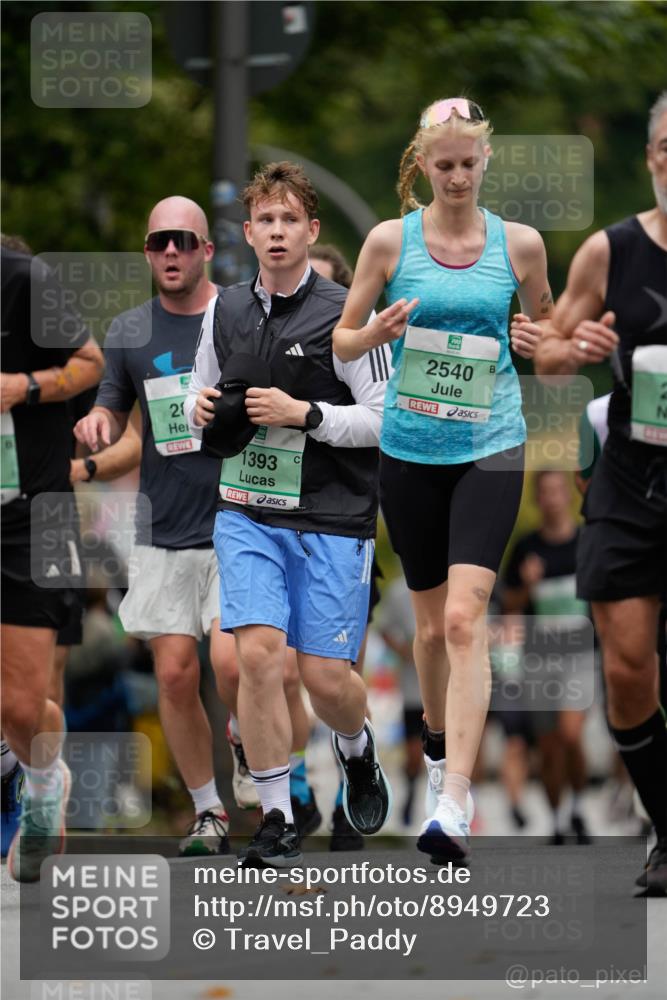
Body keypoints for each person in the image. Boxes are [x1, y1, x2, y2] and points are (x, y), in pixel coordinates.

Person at [333, 96, 552, 863]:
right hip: (410, 450)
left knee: (464, 620)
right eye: (444, 164)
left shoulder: (519, 245)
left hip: (490, 446)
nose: (456, 177)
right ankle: (434, 744)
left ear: (485, 161)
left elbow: (546, 333)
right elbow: (341, 336)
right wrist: (376, 332)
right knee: (428, 629)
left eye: (469, 163)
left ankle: (454, 799)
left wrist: (535, 336)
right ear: (421, 164)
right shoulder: (389, 241)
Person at [186, 161, 392, 868]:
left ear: (311, 229)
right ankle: (275, 813)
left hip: (333, 513)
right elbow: (196, 393)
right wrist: (201, 410)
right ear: (248, 233)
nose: (276, 233)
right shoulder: (225, 308)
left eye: (288, 220)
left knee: (327, 679)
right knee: (257, 657)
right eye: (264, 221)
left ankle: (356, 749)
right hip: (247, 508)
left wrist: (305, 415)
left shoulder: (346, 312)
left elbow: (382, 421)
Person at [534, 92, 667, 893]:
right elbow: (548, 354)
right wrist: (572, 345)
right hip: (628, 479)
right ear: (652, 154)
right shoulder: (609, 251)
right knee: (624, 670)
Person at [74, 197, 232, 856]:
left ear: (205, 251)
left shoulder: (239, 316)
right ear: (147, 252)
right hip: (163, 528)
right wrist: (93, 442)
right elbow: (119, 418)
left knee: (231, 662)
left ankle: (261, 760)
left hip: (238, 519)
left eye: (184, 241)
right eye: (160, 242)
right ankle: (208, 813)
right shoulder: (131, 331)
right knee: (172, 675)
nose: (171, 252)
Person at [1, 244, 104, 881]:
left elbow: (89, 364)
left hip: (27, 517)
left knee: (19, 705)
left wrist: (25, 386)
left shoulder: (21, 280)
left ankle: (43, 784)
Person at [502, 469, 592, 844]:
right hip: (539, 656)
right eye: (546, 493)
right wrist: (526, 585)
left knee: (571, 735)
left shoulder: (588, 543)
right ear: (538, 500)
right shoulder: (526, 548)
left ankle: (578, 809)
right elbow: (508, 605)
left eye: (559, 491)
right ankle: (557, 819)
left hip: (580, 653)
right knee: (549, 745)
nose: (553, 498)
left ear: (568, 496)